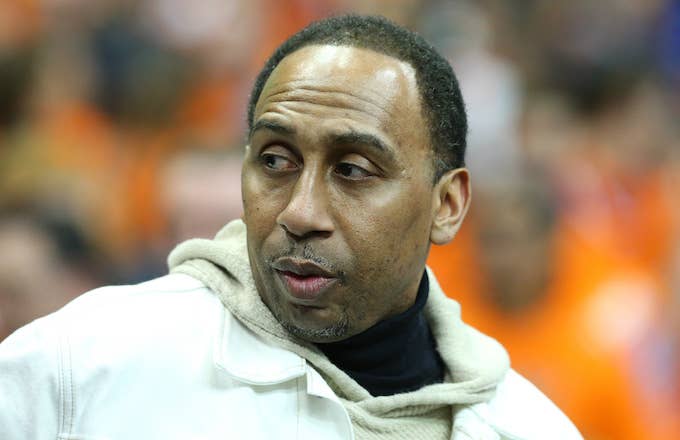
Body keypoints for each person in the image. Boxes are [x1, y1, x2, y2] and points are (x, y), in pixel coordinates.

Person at [0, 15, 581, 439]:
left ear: (447, 205)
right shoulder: (82, 364)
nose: (299, 212)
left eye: (354, 170)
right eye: (275, 160)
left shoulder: (524, 427)